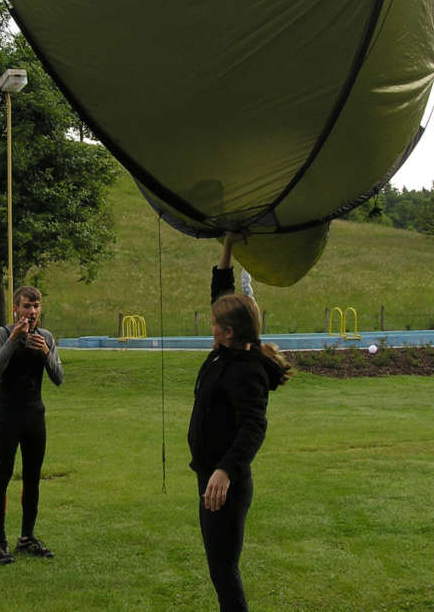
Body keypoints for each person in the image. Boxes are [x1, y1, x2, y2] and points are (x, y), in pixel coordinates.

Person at [187, 233, 293, 611]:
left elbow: (253, 427)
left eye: (216, 324)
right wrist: (228, 245)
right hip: (211, 475)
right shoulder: (227, 351)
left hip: (225, 484)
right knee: (219, 568)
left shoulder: (246, 369)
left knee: (223, 569)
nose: (211, 327)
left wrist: (226, 471)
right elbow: (222, 291)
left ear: (228, 332)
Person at [0, 285, 64, 564]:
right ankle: (0, 543)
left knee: (32, 478)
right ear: (15, 309)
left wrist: (46, 355)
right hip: (8, 417)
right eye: (27, 306)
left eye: (36, 306)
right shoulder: (2, 334)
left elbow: (59, 378)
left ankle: (27, 538)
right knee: (2, 476)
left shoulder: (46, 337)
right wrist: (13, 341)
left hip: (34, 417)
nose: (32, 312)